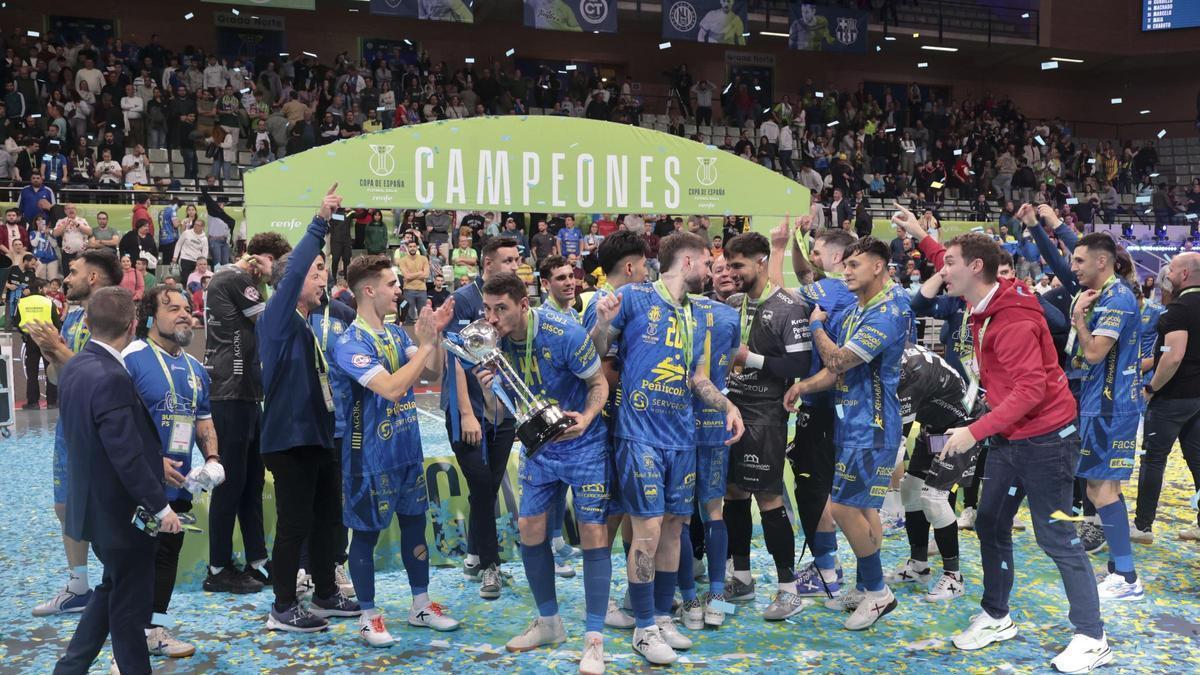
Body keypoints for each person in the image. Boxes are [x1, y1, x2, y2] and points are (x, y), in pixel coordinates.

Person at [935, 232, 1108, 673]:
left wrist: (975, 431)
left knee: (1056, 537)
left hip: (1047, 439)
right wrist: (922, 236)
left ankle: (1092, 636)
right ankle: (997, 616)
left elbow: (1031, 390)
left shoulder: (1010, 320)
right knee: (991, 523)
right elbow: (953, 255)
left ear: (975, 267)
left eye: (950, 262)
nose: (943, 269)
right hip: (1012, 436)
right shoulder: (988, 301)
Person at [590, 232, 744, 665]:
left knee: (675, 525)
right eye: (709, 263)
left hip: (683, 437)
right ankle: (642, 627)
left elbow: (698, 378)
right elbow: (600, 352)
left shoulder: (697, 314)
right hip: (639, 433)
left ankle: (660, 615)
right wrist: (602, 322)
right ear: (690, 261)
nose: (714, 271)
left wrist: (728, 405)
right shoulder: (635, 298)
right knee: (649, 529)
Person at [478, 273, 610, 673]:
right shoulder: (491, 349)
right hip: (539, 450)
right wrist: (487, 389)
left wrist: (586, 419)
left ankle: (594, 639)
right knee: (529, 526)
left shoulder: (565, 333)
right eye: (487, 309)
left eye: (501, 308)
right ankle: (550, 622)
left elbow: (599, 384)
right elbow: (496, 414)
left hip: (584, 445)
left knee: (592, 534)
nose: (492, 318)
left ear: (523, 304)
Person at [51, 286, 182, 675]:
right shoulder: (112, 375)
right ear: (133, 324)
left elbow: (101, 437)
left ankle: (71, 667)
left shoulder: (76, 366)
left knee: (111, 589)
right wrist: (160, 507)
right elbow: (123, 453)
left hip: (92, 504)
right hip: (121, 513)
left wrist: (153, 462)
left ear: (87, 323)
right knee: (129, 610)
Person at [784, 236, 910, 631]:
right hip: (854, 423)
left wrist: (817, 326)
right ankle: (865, 585)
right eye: (846, 264)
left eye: (854, 265)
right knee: (864, 508)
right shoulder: (860, 309)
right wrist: (802, 387)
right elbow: (839, 370)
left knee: (840, 508)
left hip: (870, 427)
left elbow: (838, 358)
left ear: (878, 266)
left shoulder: (889, 311)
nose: (845, 271)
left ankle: (876, 592)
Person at [333, 255, 460, 645]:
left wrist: (433, 338)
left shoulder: (395, 335)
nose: (398, 289)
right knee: (366, 537)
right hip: (367, 459)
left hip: (407, 450)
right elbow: (391, 387)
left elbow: (432, 372)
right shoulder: (348, 343)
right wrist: (423, 346)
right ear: (369, 290)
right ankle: (368, 615)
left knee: (414, 526)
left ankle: (420, 604)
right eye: (391, 283)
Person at [257, 184, 361, 632]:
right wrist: (321, 222)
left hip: (316, 438)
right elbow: (297, 262)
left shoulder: (309, 326)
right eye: (316, 272)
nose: (322, 278)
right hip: (289, 439)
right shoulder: (277, 319)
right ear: (289, 284)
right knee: (295, 525)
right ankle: (282, 607)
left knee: (326, 522)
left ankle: (323, 593)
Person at [124, 286, 224, 660]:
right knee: (133, 561)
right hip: (138, 485)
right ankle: (126, 640)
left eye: (188, 308)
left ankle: (152, 630)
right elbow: (116, 425)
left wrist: (212, 458)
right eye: (173, 309)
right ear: (150, 316)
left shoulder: (196, 369)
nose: (185, 314)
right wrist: (150, 462)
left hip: (178, 487)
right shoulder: (130, 359)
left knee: (167, 554)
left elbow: (203, 421)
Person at [25, 248, 123, 618]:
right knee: (65, 505)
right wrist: (50, 353)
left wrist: (60, 350)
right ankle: (78, 586)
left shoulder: (118, 313)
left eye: (73, 271)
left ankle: (121, 583)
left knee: (108, 506)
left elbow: (102, 372)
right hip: (71, 423)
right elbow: (60, 378)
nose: (66, 278)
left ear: (94, 277)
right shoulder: (73, 318)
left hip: (103, 424)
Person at [722, 232, 813, 620]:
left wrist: (749, 357)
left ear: (761, 261)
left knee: (768, 499)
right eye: (728, 265)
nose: (732, 272)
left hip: (766, 415)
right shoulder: (732, 304)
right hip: (732, 409)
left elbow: (800, 366)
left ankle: (788, 590)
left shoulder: (788, 306)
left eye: (738, 265)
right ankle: (741, 578)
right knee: (733, 494)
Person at [766, 220, 857, 599]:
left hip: (821, 405)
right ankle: (840, 570)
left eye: (818, 251)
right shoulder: (848, 290)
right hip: (843, 406)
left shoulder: (833, 289)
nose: (812, 259)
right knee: (835, 491)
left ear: (837, 257)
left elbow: (778, 294)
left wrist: (777, 247)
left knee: (812, 490)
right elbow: (807, 271)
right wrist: (801, 244)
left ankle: (826, 570)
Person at [202, 230, 291, 595]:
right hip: (229, 392)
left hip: (246, 393)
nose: (276, 274)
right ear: (257, 258)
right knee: (231, 484)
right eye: (275, 266)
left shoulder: (241, 280)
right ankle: (218, 567)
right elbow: (273, 322)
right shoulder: (234, 278)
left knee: (252, 482)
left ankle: (256, 559)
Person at [441, 237, 522, 598]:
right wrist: (466, 413)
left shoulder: (515, 302)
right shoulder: (463, 299)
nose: (514, 265)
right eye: (507, 260)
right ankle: (491, 566)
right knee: (483, 486)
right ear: (487, 263)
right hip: (468, 414)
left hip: (502, 414)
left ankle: (475, 553)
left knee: (485, 489)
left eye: (518, 259)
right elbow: (456, 358)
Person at [1067, 233, 1144, 601]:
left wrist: (1078, 317)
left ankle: (1127, 578)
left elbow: (1094, 352)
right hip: (1104, 403)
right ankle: (1119, 567)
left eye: (1080, 261)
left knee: (1100, 490)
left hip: (1111, 405)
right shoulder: (1112, 295)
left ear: (1102, 261)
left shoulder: (1117, 299)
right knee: (1105, 487)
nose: (1073, 268)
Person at [885, 344, 975, 602]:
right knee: (911, 491)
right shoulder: (894, 355)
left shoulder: (910, 373)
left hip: (962, 429)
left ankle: (954, 578)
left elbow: (897, 445)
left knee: (933, 498)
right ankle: (918, 567)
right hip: (933, 427)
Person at [677, 288, 740, 631]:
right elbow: (727, 370)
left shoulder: (671, 310)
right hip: (716, 420)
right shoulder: (730, 315)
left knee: (681, 519)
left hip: (678, 424)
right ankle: (716, 597)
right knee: (713, 511)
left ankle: (689, 600)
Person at [1135, 252, 1200, 542]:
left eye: (1171, 270)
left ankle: (1143, 525)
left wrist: (1152, 388)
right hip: (1197, 397)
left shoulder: (1180, 309)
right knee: (1198, 461)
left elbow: (1174, 356)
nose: (1167, 275)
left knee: (1153, 458)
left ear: (1184, 274)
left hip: (1172, 397)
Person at [15, 277, 59, 409]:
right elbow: (56, 322)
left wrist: (25, 333)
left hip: (30, 339)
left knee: (32, 372)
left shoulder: (21, 302)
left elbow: (16, 321)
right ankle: (52, 402)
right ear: (40, 289)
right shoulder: (49, 302)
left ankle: (33, 402)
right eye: (45, 287)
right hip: (47, 339)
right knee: (50, 370)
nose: (47, 290)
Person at [397, 240, 430, 324]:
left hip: (422, 290)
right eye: (410, 247)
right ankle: (410, 335)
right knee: (409, 315)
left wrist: (411, 275)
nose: (412, 248)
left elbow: (426, 275)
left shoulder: (423, 259)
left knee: (423, 315)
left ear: (417, 247)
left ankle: (423, 335)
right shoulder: (402, 260)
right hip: (408, 290)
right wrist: (420, 272)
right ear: (407, 248)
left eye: (414, 246)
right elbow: (406, 276)